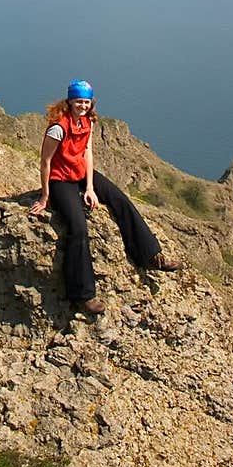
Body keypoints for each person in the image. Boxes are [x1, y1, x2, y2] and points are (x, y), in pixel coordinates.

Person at [29, 79, 180, 315]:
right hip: (60, 179)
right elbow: (46, 161)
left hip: (80, 174)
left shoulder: (87, 122)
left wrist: (90, 187)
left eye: (86, 102)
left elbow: (87, 152)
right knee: (78, 227)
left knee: (120, 199)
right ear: (69, 101)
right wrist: (45, 195)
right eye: (79, 101)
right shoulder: (59, 127)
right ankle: (82, 295)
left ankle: (150, 255)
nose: (83, 106)